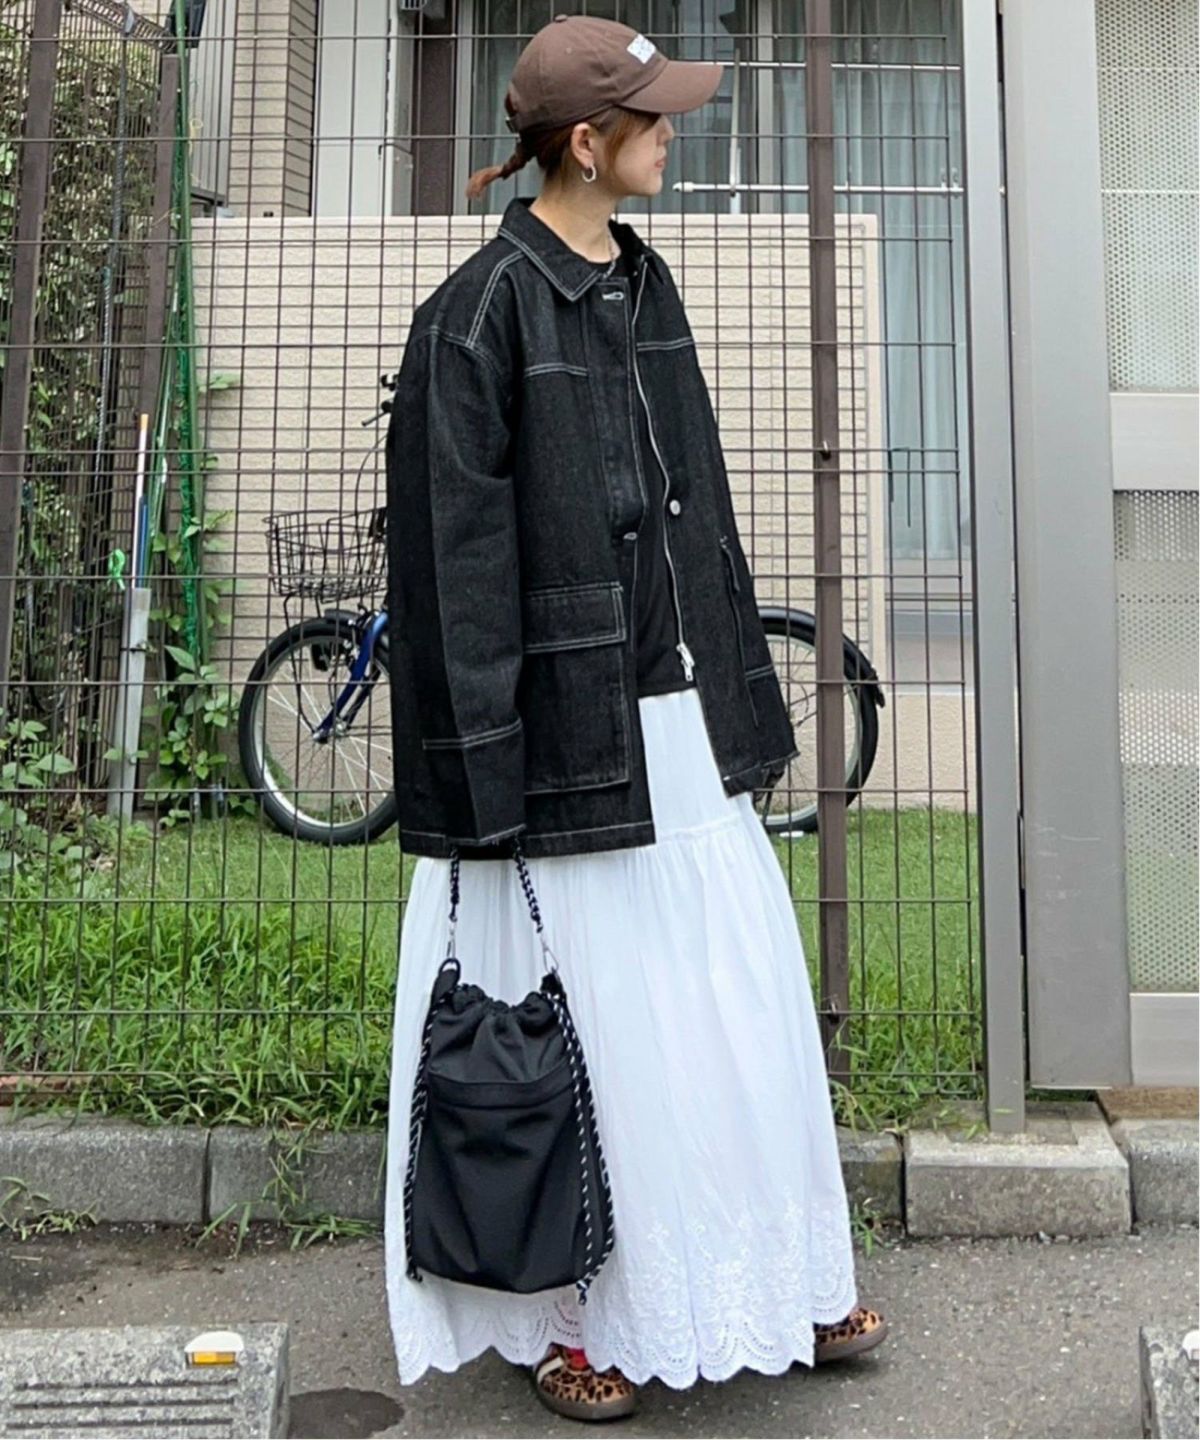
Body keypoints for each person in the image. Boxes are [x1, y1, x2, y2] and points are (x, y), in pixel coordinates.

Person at [382, 13, 887, 1422]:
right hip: (555, 746)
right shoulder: (475, 318)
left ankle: (768, 1282)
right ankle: (575, 1318)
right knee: (592, 1030)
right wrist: (486, 791)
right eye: (653, 119)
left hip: (676, 713)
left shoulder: (642, 283)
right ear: (588, 144)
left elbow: (692, 513)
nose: (674, 135)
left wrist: (733, 688)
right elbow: (452, 580)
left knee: (728, 1003)